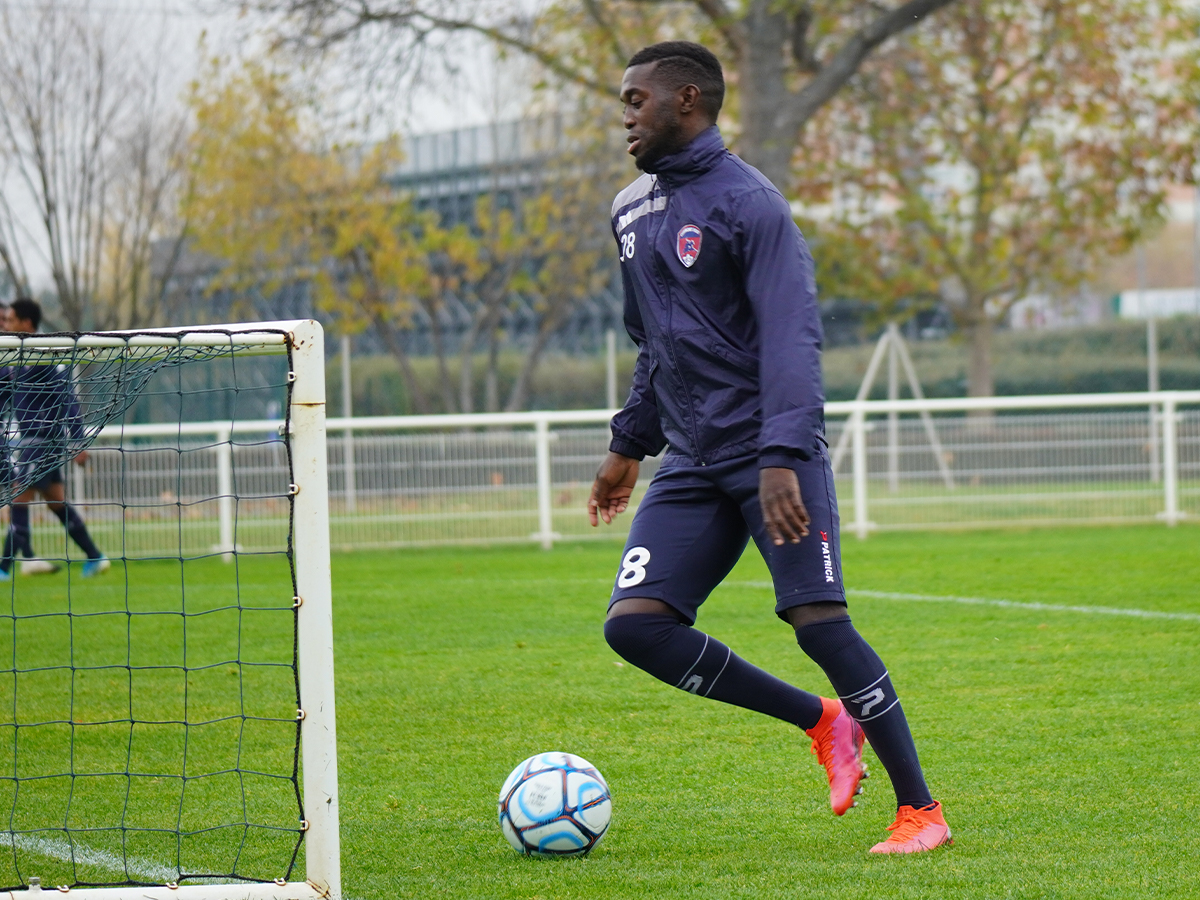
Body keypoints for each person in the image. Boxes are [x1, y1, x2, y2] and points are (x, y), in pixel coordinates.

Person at [589, 41, 951, 854]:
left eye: (636, 100)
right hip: (690, 460)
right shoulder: (629, 209)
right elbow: (652, 343)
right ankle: (823, 722)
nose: (625, 116)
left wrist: (782, 455)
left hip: (768, 454)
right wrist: (629, 446)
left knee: (817, 621)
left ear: (687, 101)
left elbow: (792, 339)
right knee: (636, 626)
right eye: (623, 101)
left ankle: (921, 812)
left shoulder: (753, 204)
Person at [0, 298, 109, 580]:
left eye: (10, 320)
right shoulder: (14, 357)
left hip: (42, 441)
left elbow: (68, 398)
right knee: (55, 502)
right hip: (31, 441)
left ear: (26, 323)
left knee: (18, 495)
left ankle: (4, 567)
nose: (6, 325)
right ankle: (95, 556)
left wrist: (78, 441)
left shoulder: (43, 356)